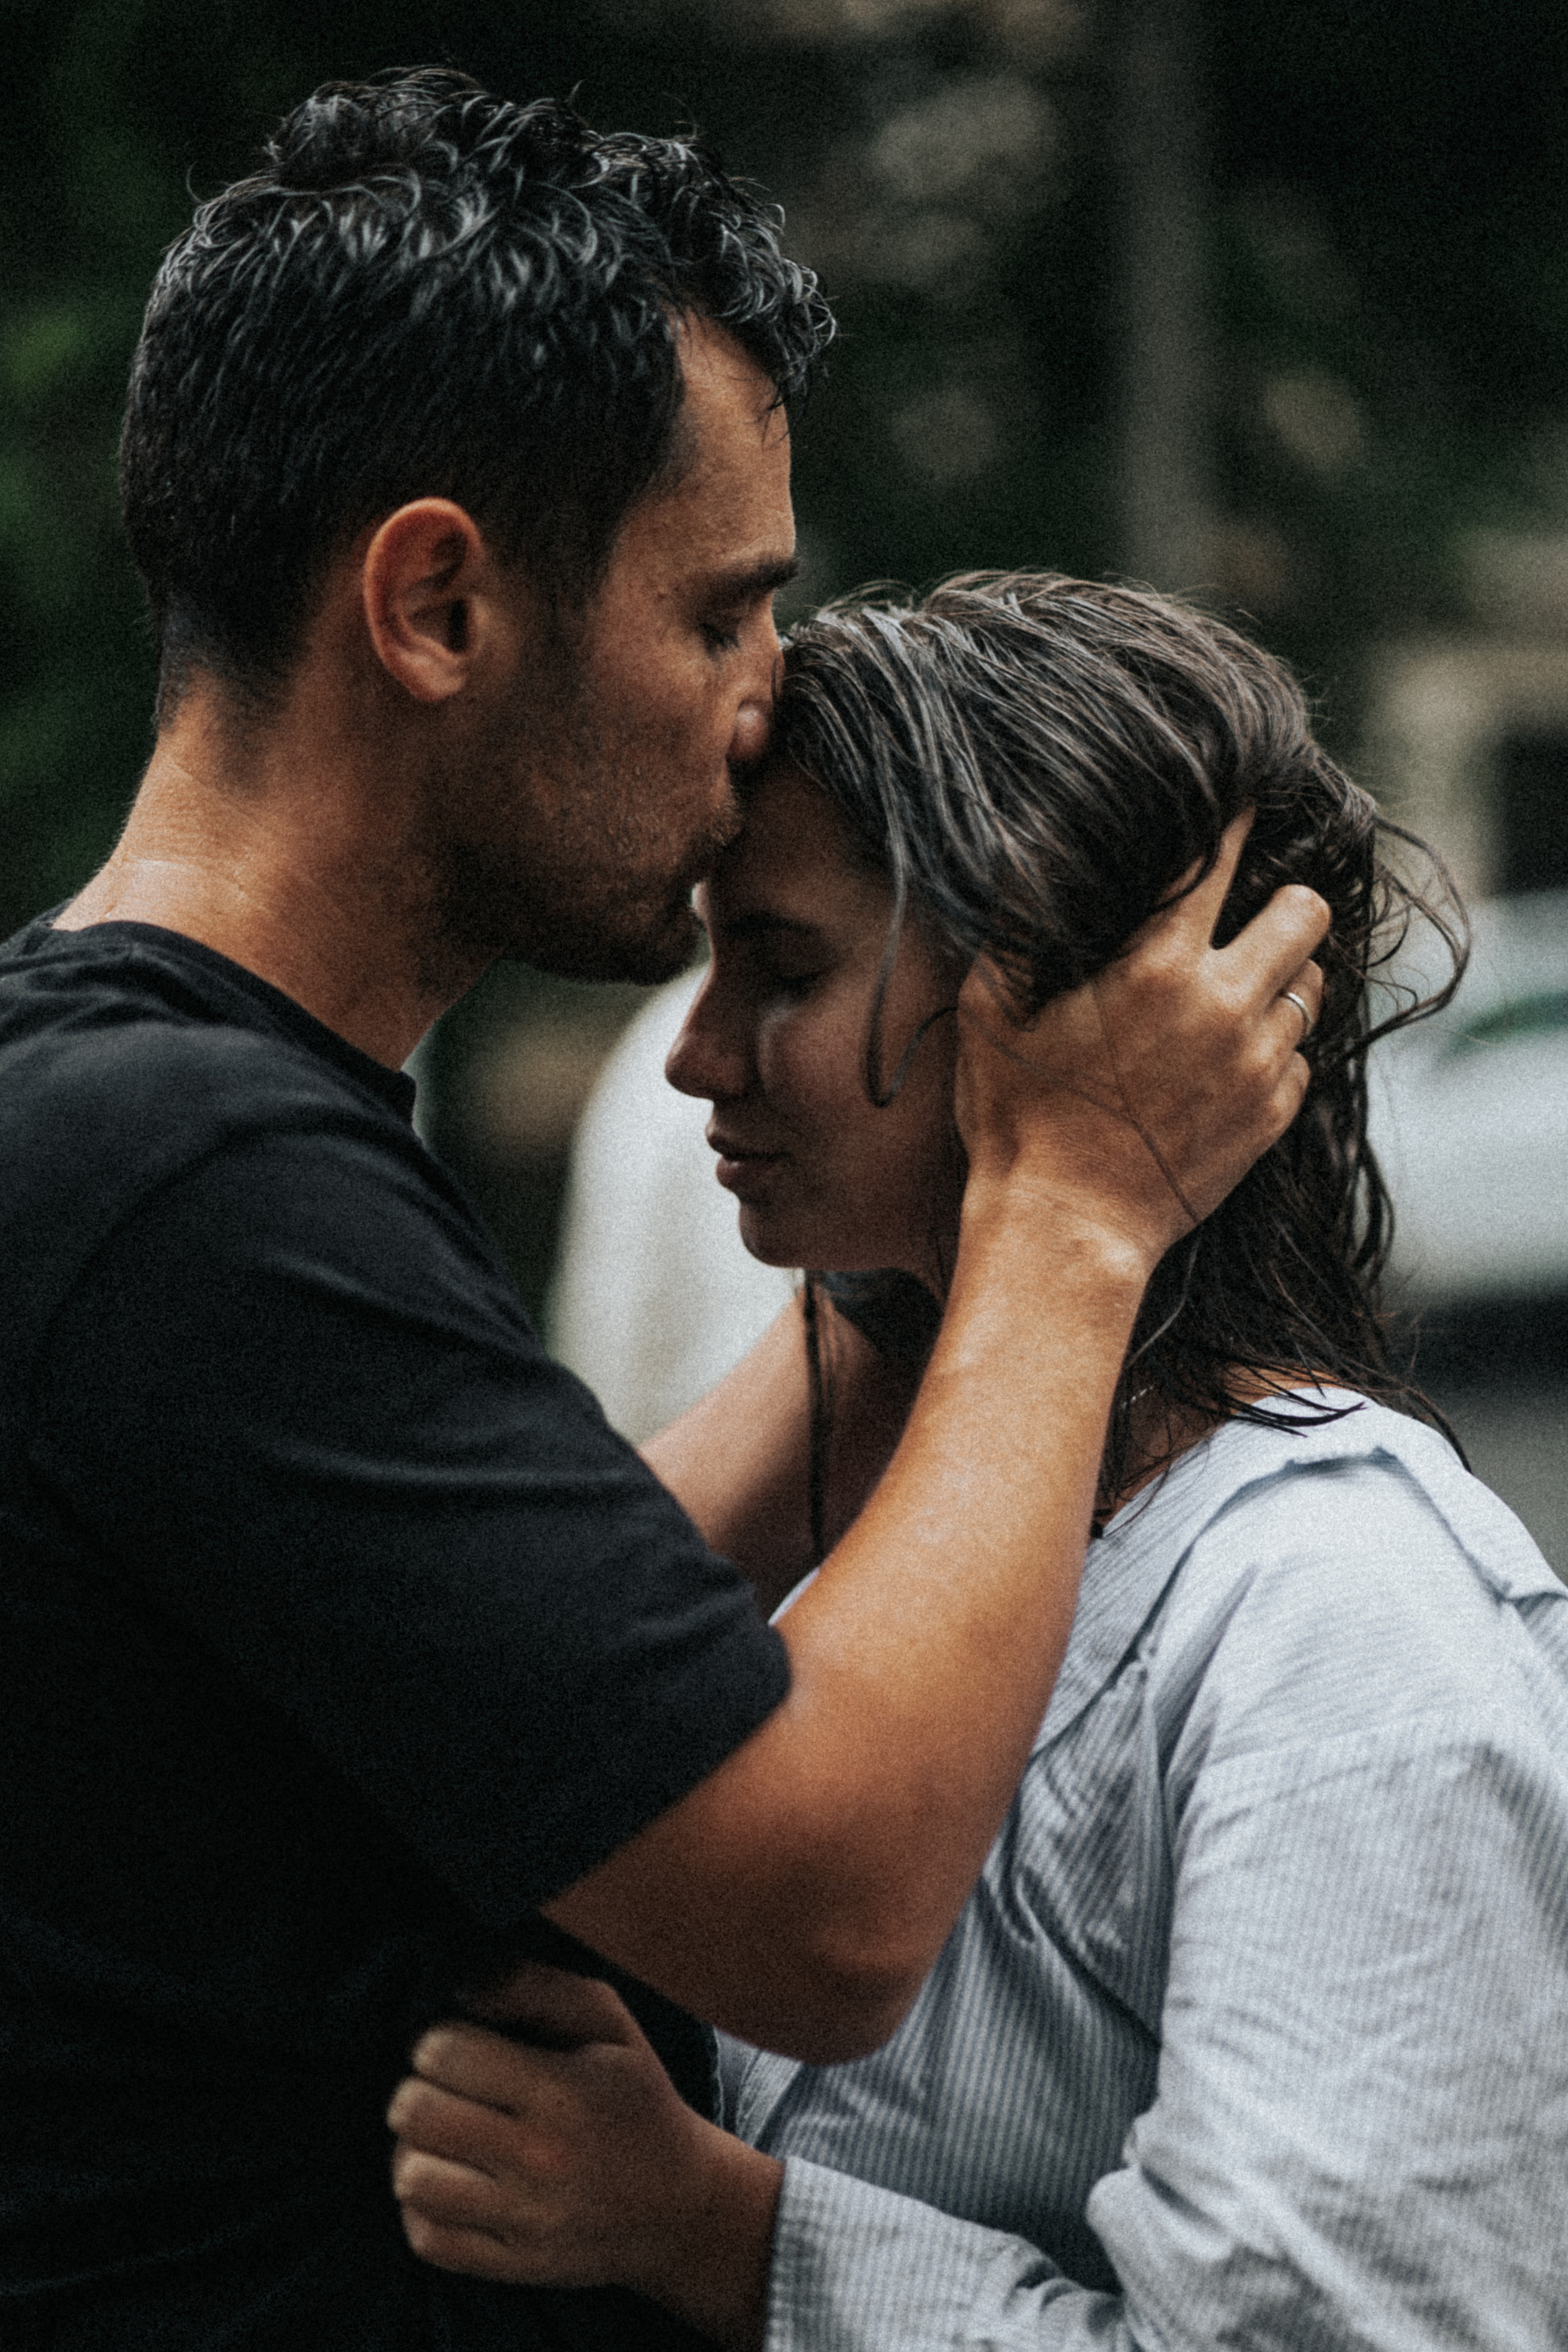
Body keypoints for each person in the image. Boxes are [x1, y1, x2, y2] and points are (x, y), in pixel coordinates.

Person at [0, 73, 1329, 2352]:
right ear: (434, 604)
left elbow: (532, 1651)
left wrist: (912, 1219)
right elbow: (823, 1900)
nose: (763, 698)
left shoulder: (136, 1113)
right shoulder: (190, 1180)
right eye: (720, 611)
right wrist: (1074, 1210)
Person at [386, 576, 1568, 2352]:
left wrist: (719, 2231)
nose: (697, 1060)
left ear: (1076, 999)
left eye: (782, 970)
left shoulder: (1341, 1624)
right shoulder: (875, 1468)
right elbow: (484, 1711)